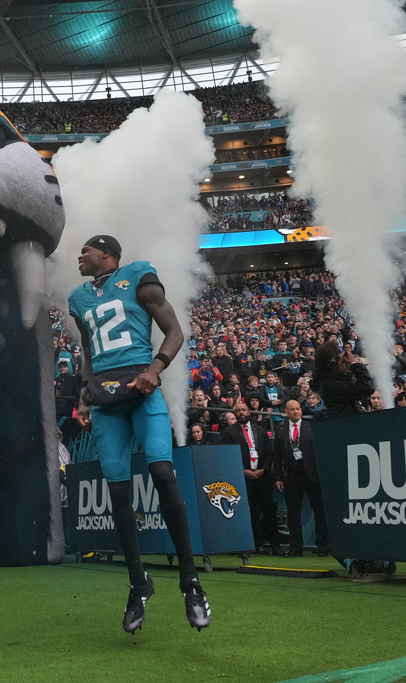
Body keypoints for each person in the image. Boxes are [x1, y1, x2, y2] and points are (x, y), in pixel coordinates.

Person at [69, 235, 210, 633]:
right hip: (106, 401)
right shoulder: (79, 298)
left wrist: (154, 370)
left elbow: (175, 332)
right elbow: (89, 353)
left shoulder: (137, 276)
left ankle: (190, 582)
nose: (80, 256)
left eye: (87, 251)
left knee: (163, 473)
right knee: (117, 491)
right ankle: (138, 583)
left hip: (141, 389)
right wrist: (83, 397)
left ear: (108, 255)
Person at [221, 400, 280, 556]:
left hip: (262, 476)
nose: (241, 412)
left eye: (244, 410)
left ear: (249, 412)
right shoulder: (229, 432)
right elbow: (226, 455)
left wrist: (263, 469)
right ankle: (257, 544)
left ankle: (276, 545)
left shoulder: (260, 430)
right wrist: (243, 471)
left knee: (269, 510)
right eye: (238, 410)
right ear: (235, 414)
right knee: (250, 511)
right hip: (242, 477)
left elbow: (269, 452)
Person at [272, 400, 329, 557]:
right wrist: (278, 477)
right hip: (291, 476)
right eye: (292, 409)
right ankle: (296, 547)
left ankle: (323, 546)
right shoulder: (281, 429)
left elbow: (320, 451)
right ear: (286, 411)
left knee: (319, 510)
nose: (296, 412)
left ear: (301, 411)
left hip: (311, 474)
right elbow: (277, 456)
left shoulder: (310, 427)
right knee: (293, 513)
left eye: (298, 409)